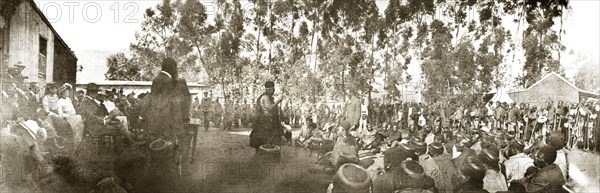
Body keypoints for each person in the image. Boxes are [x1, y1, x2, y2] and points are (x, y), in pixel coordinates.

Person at [249, 81, 285, 153]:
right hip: (265, 122)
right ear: (268, 89)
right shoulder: (265, 97)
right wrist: (278, 101)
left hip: (267, 121)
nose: (273, 92)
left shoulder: (268, 97)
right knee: (266, 139)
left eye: (273, 90)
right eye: (272, 90)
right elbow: (269, 108)